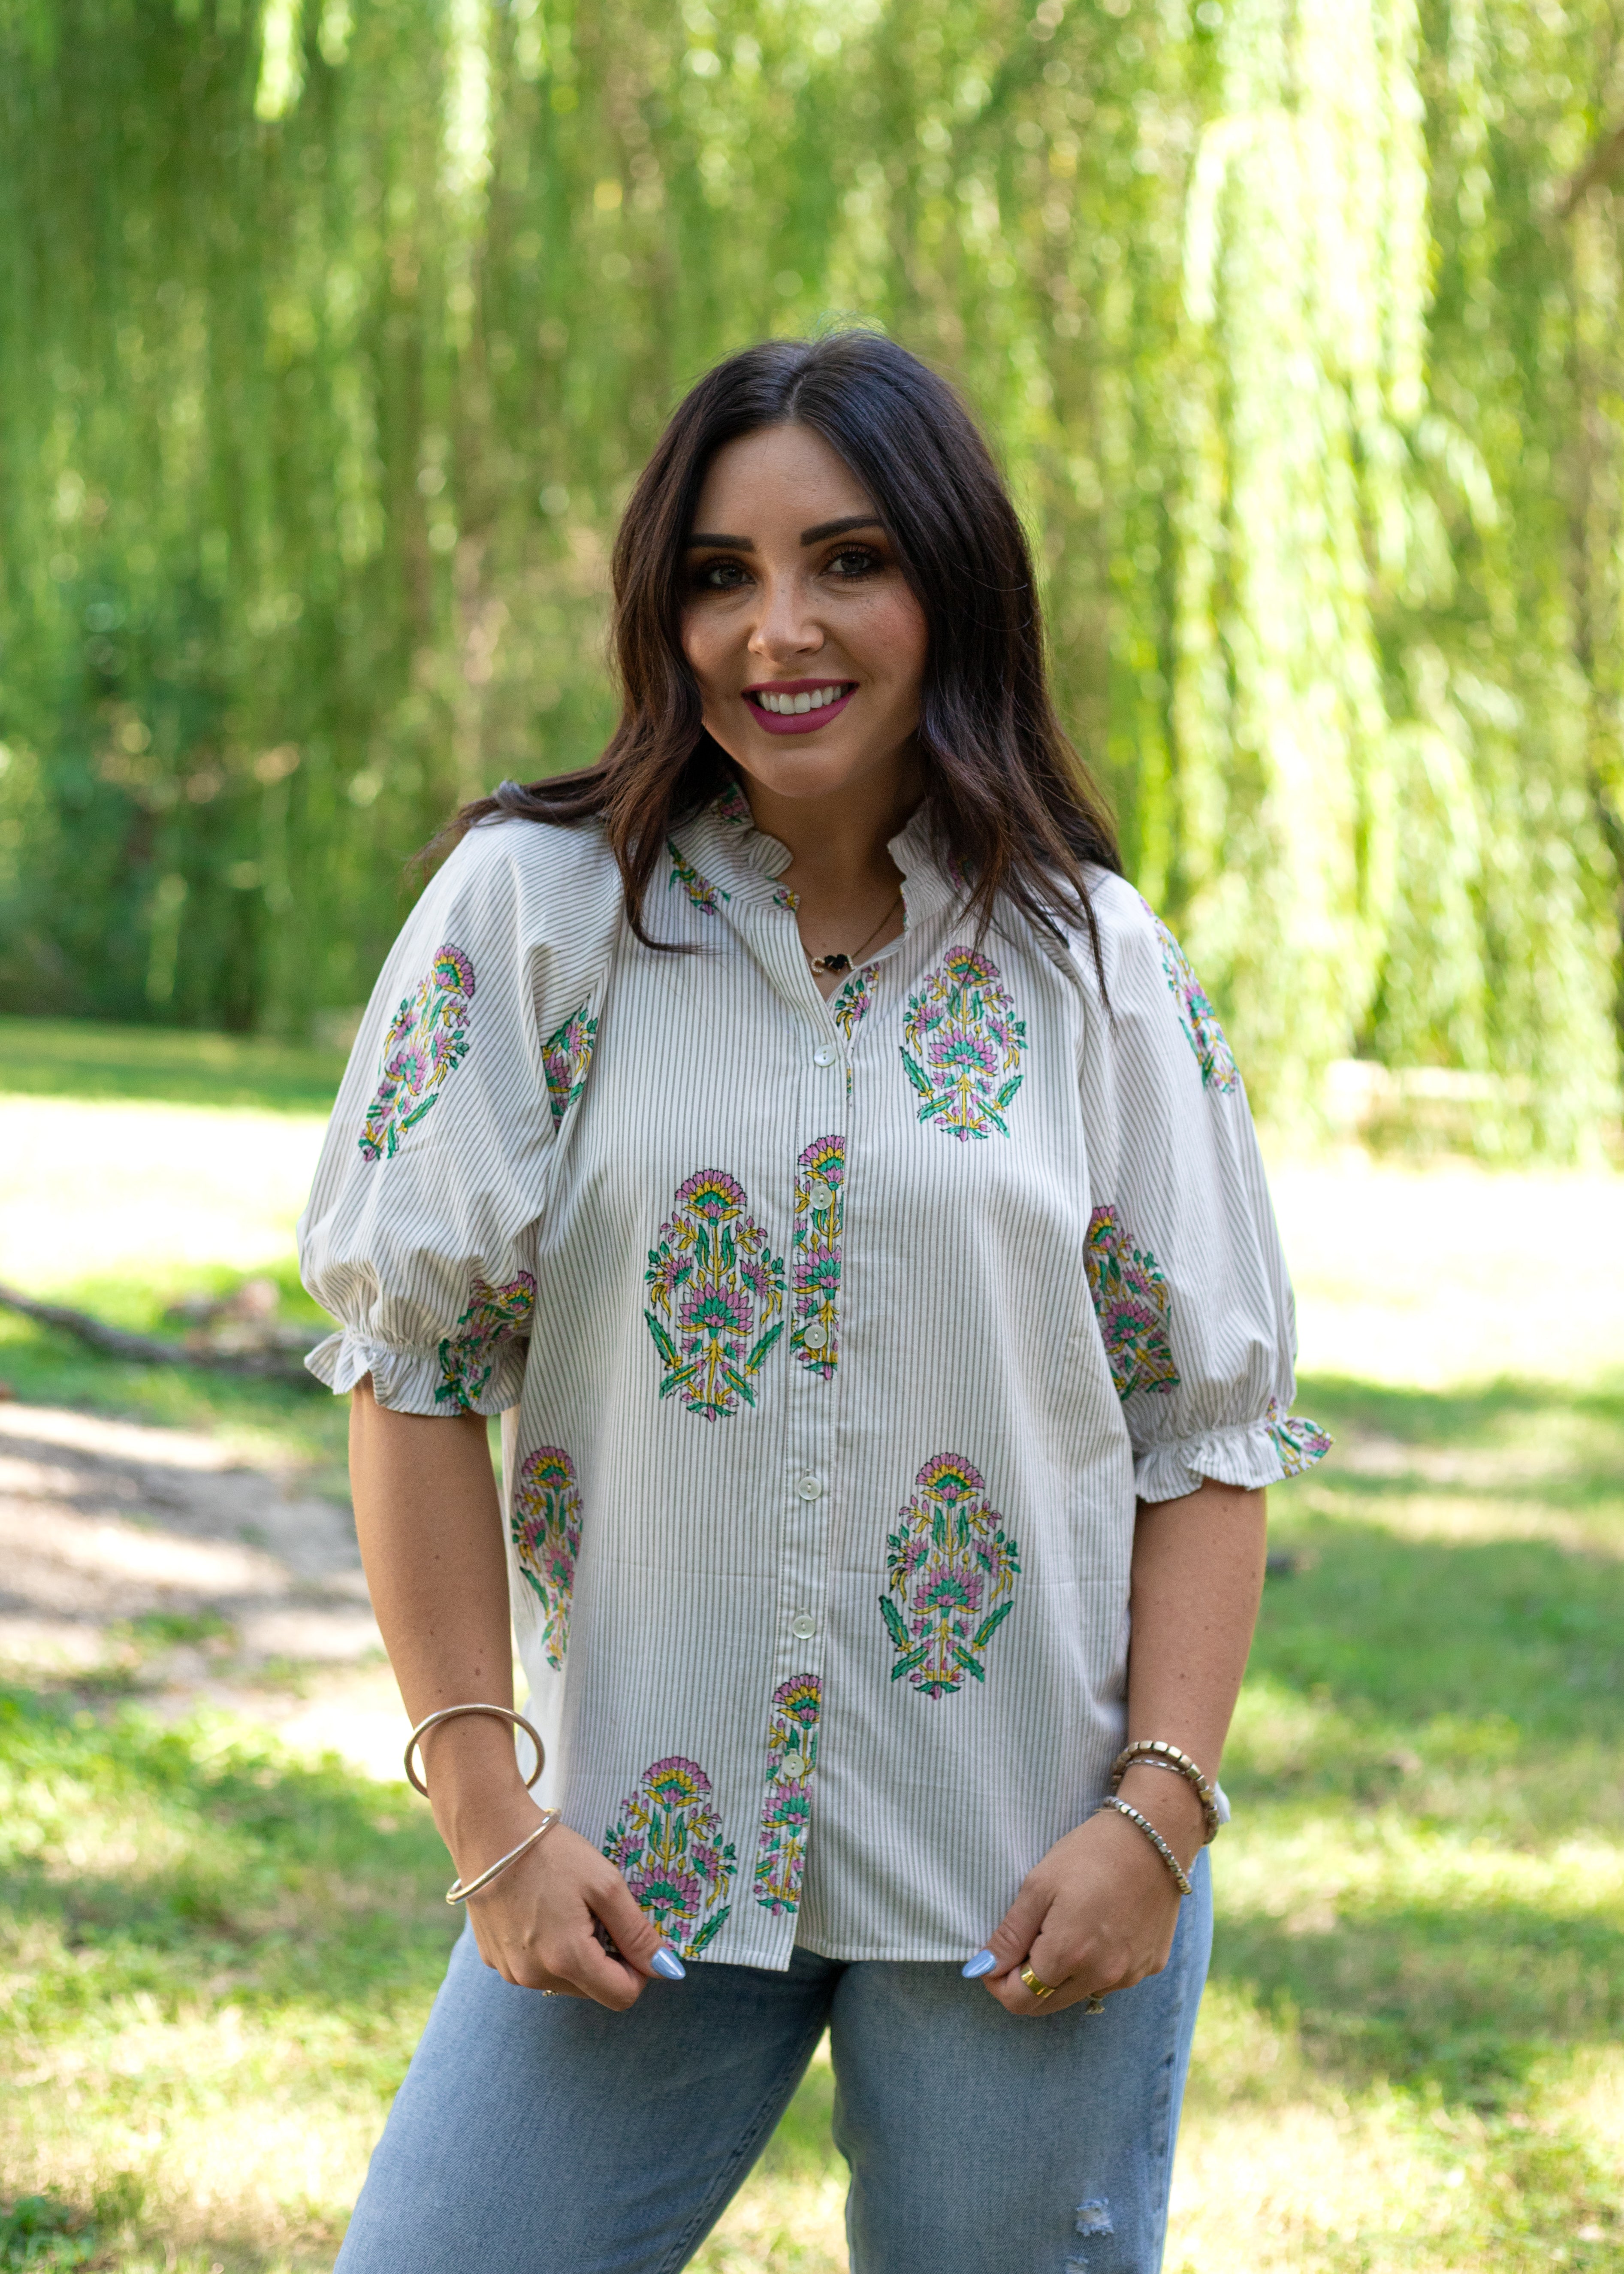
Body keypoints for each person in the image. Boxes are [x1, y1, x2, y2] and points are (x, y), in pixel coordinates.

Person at [298, 330, 1329, 2274]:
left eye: (845, 560)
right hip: (624, 1864)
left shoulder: (1093, 964)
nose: (777, 627)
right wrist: (487, 1815)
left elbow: (1204, 1425)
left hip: (1026, 1868)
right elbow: (410, 1364)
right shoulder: (533, 914)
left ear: (948, 586)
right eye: (719, 571)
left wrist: (1154, 1821)